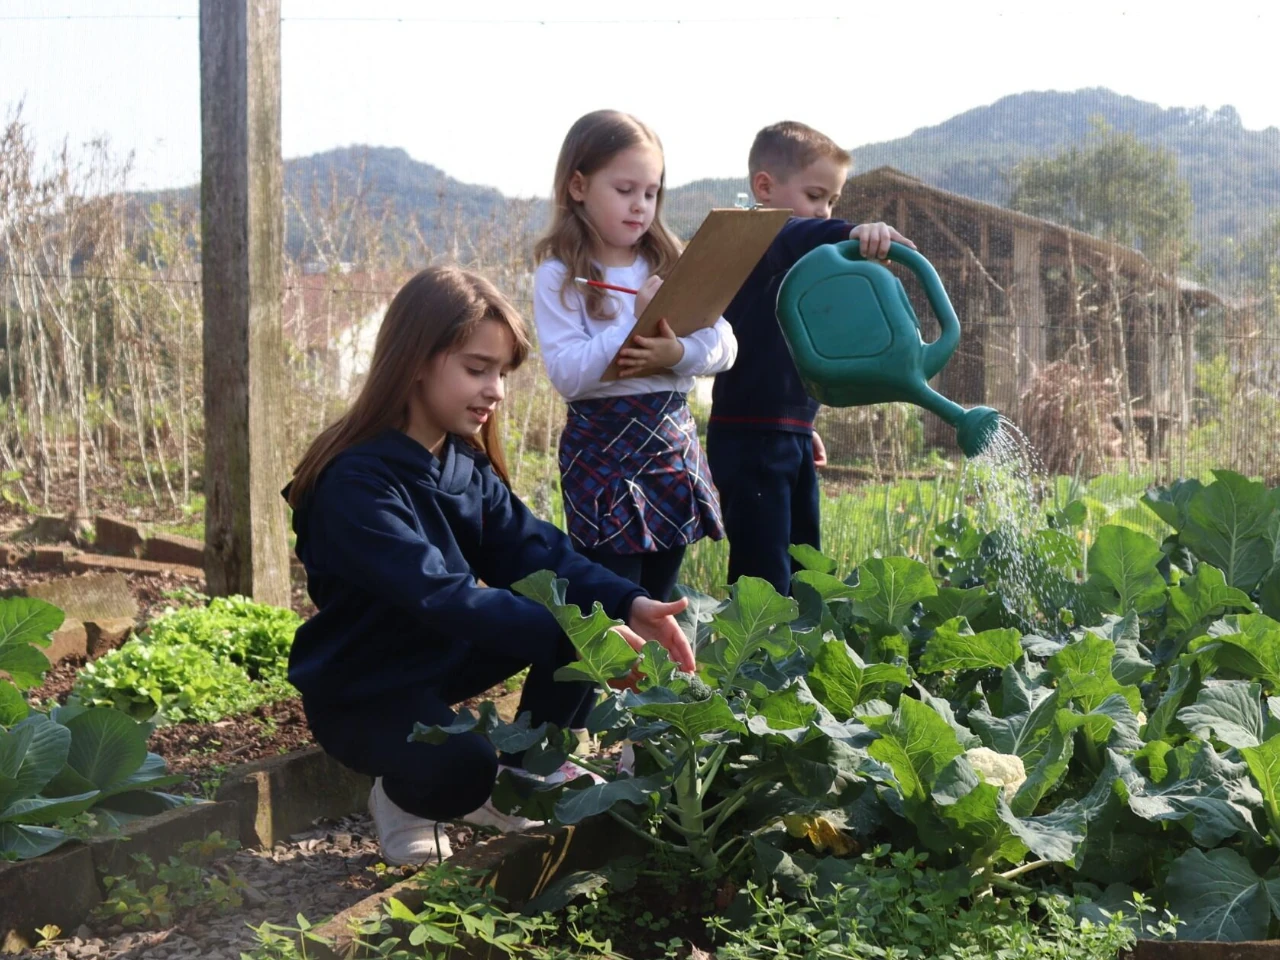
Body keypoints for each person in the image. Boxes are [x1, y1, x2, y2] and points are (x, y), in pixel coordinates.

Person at [284, 266, 694, 866]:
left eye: (501, 372)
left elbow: (534, 551)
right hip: (363, 685)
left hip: (436, 657)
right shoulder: (357, 483)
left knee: (567, 605)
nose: (496, 390)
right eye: (477, 369)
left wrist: (629, 604)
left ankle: (526, 774)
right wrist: (584, 631)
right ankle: (403, 796)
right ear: (415, 361)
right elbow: (440, 594)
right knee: (464, 767)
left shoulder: (461, 464)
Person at [533, 109, 737, 602]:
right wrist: (634, 324)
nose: (640, 205)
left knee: (661, 603)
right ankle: (578, 684)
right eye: (625, 190)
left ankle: (650, 685)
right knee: (605, 608)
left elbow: (727, 345)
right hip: (601, 454)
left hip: (670, 448)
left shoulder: (671, 262)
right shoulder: (559, 274)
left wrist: (676, 352)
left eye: (651, 192)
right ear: (578, 186)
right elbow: (568, 375)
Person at [707, 121, 916, 594]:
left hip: (786, 433)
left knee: (806, 558)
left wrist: (803, 423)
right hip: (748, 436)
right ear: (765, 187)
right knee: (763, 572)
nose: (823, 212)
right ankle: (754, 658)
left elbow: (786, 354)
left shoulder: (793, 262)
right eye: (816, 195)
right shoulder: (756, 237)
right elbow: (794, 233)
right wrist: (852, 231)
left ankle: (795, 656)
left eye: (832, 203)